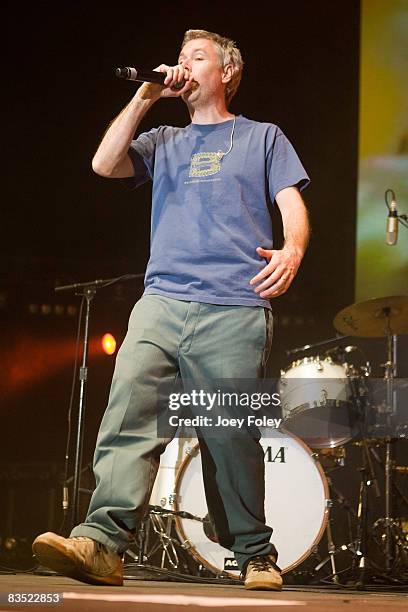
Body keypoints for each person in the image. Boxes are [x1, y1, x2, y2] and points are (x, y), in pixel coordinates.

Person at [33, 29, 310, 591]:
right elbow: (103, 164)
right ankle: (103, 541)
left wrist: (294, 248)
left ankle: (254, 553)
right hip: (160, 301)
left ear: (228, 72)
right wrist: (144, 96)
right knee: (128, 414)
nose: (183, 66)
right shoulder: (162, 139)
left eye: (197, 57)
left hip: (233, 303)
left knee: (228, 432)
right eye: (180, 59)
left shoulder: (262, 137)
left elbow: (292, 205)